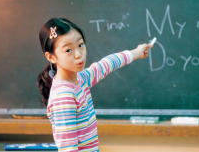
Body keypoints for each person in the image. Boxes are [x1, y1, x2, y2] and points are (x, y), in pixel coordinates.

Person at [36, 18, 153, 151]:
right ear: (51, 57)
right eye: (68, 50)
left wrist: (137, 52)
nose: (79, 55)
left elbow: (107, 64)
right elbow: (68, 148)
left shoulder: (80, 79)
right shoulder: (64, 96)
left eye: (80, 45)